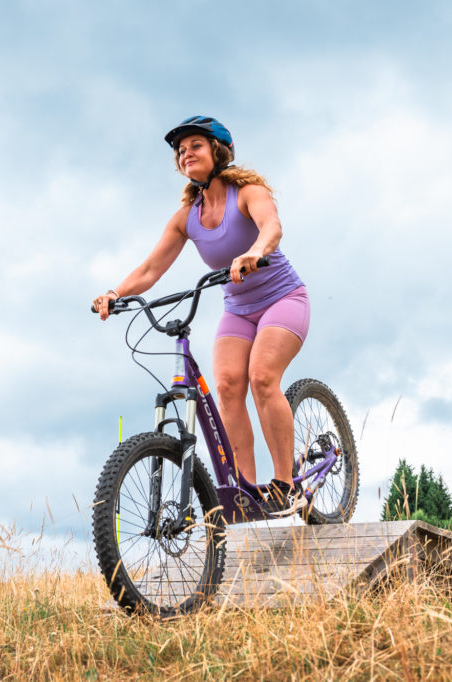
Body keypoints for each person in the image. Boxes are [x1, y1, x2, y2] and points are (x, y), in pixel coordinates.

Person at [91, 116, 310, 517]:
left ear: (218, 151)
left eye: (195, 145)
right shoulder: (186, 216)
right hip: (238, 309)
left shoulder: (247, 192)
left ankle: (286, 485)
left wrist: (254, 252)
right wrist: (114, 293)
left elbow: (272, 227)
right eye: (181, 149)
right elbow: (149, 270)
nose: (186, 153)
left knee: (262, 377)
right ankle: (245, 491)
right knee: (226, 386)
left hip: (283, 299)